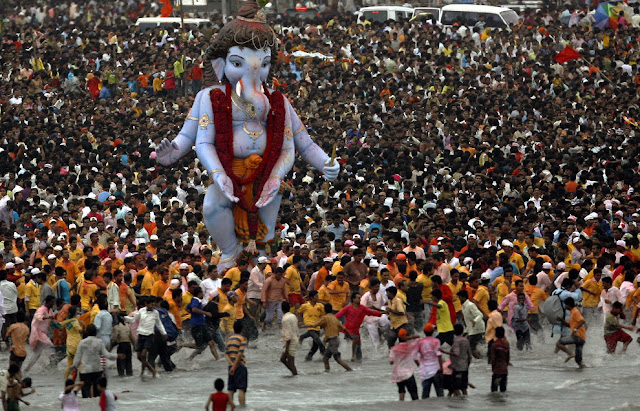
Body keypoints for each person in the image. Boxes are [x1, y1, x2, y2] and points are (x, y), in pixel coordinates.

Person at [71, 324, 118, 398]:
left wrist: (74, 367)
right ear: (96, 332)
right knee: (97, 394)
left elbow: (77, 357)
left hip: (85, 370)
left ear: (87, 332)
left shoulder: (82, 342)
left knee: (86, 394)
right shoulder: (99, 342)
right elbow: (107, 355)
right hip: (97, 369)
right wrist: (117, 356)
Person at [334, 291, 382, 362]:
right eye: (358, 298)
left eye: (360, 298)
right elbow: (337, 316)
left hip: (356, 331)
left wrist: (381, 313)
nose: (360, 300)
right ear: (353, 299)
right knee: (354, 341)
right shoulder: (347, 308)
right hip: (347, 330)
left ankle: (358, 363)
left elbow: (371, 312)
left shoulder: (362, 308)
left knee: (358, 348)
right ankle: (350, 357)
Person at [126, 297, 166, 378]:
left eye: (154, 305)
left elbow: (159, 324)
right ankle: (152, 370)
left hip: (149, 335)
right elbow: (133, 320)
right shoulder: (141, 311)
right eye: (151, 305)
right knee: (139, 356)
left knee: (143, 355)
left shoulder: (156, 313)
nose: (153, 306)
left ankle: (143, 372)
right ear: (146, 304)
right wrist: (124, 317)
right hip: (141, 335)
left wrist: (164, 333)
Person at [309, 303, 353, 372]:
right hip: (335, 341)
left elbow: (314, 325)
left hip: (332, 342)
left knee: (338, 359)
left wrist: (304, 325)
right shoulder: (335, 318)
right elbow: (344, 329)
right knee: (325, 358)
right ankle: (327, 372)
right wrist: (350, 337)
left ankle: (350, 370)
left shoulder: (324, 318)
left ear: (324, 310)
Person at [187, 286, 221, 361]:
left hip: (202, 325)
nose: (203, 294)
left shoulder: (195, 300)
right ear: (199, 293)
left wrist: (194, 315)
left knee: (211, 343)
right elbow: (194, 309)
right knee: (199, 346)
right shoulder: (196, 300)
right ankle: (182, 345)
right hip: (197, 325)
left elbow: (188, 308)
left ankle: (218, 359)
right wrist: (205, 313)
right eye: (202, 292)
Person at [23, 295, 56, 372]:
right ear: (48, 302)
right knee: (50, 345)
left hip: (43, 333)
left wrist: (52, 332)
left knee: (37, 354)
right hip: (38, 332)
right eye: (52, 302)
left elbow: (50, 322)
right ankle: (53, 364)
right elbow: (37, 316)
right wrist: (47, 317)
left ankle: (27, 369)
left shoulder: (50, 310)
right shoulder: (42, 309)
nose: (53, 304)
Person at [441, 323, 472, 396]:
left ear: (454, 331)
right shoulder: (466, 340)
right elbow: (470, 355)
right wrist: (467, 365)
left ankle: (458, 402)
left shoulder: (456, 341)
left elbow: (456, 353)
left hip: (457, 368)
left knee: (455, 388)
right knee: (464, 388)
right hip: (465, 367)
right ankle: (465, 401)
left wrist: (444, 352)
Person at [555, 297, 586, 368]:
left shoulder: (575, 311)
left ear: (568, 305)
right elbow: (569, 325)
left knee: (559, 343)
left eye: (565, 305)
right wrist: (561, 320)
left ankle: (570, 354)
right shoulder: (572, 312)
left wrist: (575, 329)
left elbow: (582, 321)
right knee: (578, 361)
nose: (565, 306)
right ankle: (585, 370)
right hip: (581, 338)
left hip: (578, 336)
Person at [389, 328, 419, 401]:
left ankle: (401, 406)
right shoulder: (410, 346)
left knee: (401, 392)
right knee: (414, 395)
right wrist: (412, 337)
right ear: (406, 337)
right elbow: (418, 339)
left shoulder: (393, 349)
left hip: (398, 374)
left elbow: (391, 362)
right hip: (408, 374)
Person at [416, 323, 444, 398]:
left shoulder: (420, 342)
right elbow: (439, 355)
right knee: (440, 394)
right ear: (433, 331)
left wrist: (419, 366)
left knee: (425, 395)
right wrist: (441, 368)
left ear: (424, 332)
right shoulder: (436, 341)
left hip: (425, 371)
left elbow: (414, 356)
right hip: (436, 369)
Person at [297, 290, 326, 361]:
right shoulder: (305, 305)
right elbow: (298, 312)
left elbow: (323, 316)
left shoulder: (320, 306)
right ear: (311, 297)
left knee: (315, 346)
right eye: (316, 296)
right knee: (317, 339)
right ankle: (324, 354)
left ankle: (308, 357)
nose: (318, 297)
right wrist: (299, 321)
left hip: (317, 326)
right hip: (309, 325)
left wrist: (323, 324)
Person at [225, 321, 248, 407]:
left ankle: (229, 408)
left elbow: (226, 354)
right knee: (242, 389)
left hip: (230, 367)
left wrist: (231, 365)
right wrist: (235, 366)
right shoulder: (242, 339)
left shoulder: (229, 339)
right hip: (240, 366)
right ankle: (242, 408)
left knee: (231, 389)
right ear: (242, 329)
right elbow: (240, 354)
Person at [458, 290, 484, 359]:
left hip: (477, 329)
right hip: (472, 330)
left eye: (460, 297)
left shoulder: (470, 305)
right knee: (470, 346)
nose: (459, 299)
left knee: (470, 347)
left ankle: (479, 360)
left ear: (463, 297)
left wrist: (475, 321)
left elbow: (480, 314)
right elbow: (468, 322)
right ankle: (481, 359)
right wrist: (465, 332)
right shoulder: (463, 307)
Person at [280, 301, 299, 376]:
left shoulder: (285, 319)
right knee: (283, 359)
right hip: (295, 338)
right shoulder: (293, 316)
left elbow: (288, 335)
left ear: (282, 309)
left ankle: (295, 375)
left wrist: (287, 349)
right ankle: (294, 374)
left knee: (291, 363)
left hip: (290, 341)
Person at [490, 326, 510, 393]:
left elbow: (493, 358)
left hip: (497, 370)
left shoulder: (494, 345)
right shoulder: (506, 344)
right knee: (503, 391)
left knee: (494, 391)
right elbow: (507, 358)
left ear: (495, 334)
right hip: (504, 370)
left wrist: (493, 368)